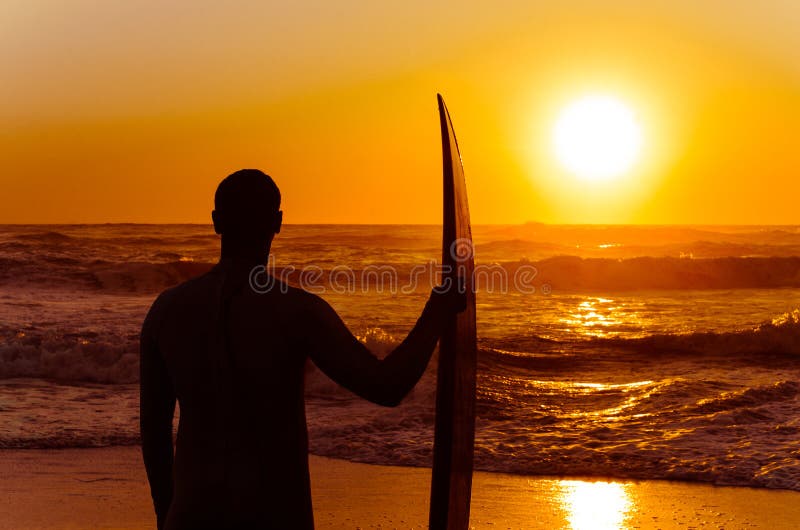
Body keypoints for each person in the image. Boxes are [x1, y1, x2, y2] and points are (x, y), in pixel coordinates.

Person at [140, 169, 464, 530]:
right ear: (278, 223)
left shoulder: (165, 311)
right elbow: (386, 386)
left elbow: (154, 432)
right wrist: (436, 312)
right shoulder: (296, 311)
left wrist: (165, 515)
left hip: (190, 516)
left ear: (216, 222)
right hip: (273, 514)